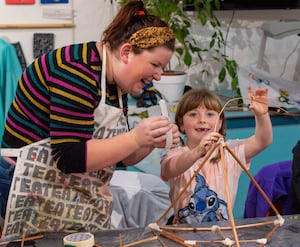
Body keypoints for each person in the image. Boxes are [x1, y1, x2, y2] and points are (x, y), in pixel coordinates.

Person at [0, 0, 180, 236]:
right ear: (126, 52)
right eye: (155, 65)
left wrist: (150, 141)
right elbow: (69, 157)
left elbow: (117, 158)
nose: (158, 76)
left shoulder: (116, 83)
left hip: (64, 187)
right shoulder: (75, 70)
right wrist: (136, 138)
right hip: (26, 183)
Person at [160, 87, 272, 224]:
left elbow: (262, 141)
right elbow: (170, 169)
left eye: (210, 114)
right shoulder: (176, 154)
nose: (202, 120)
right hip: (184, 236)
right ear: (182, 124)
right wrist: (197, 151)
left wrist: (262, 115)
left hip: (222, 235)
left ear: (219, 123)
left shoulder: (229, 152)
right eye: (193, 114)